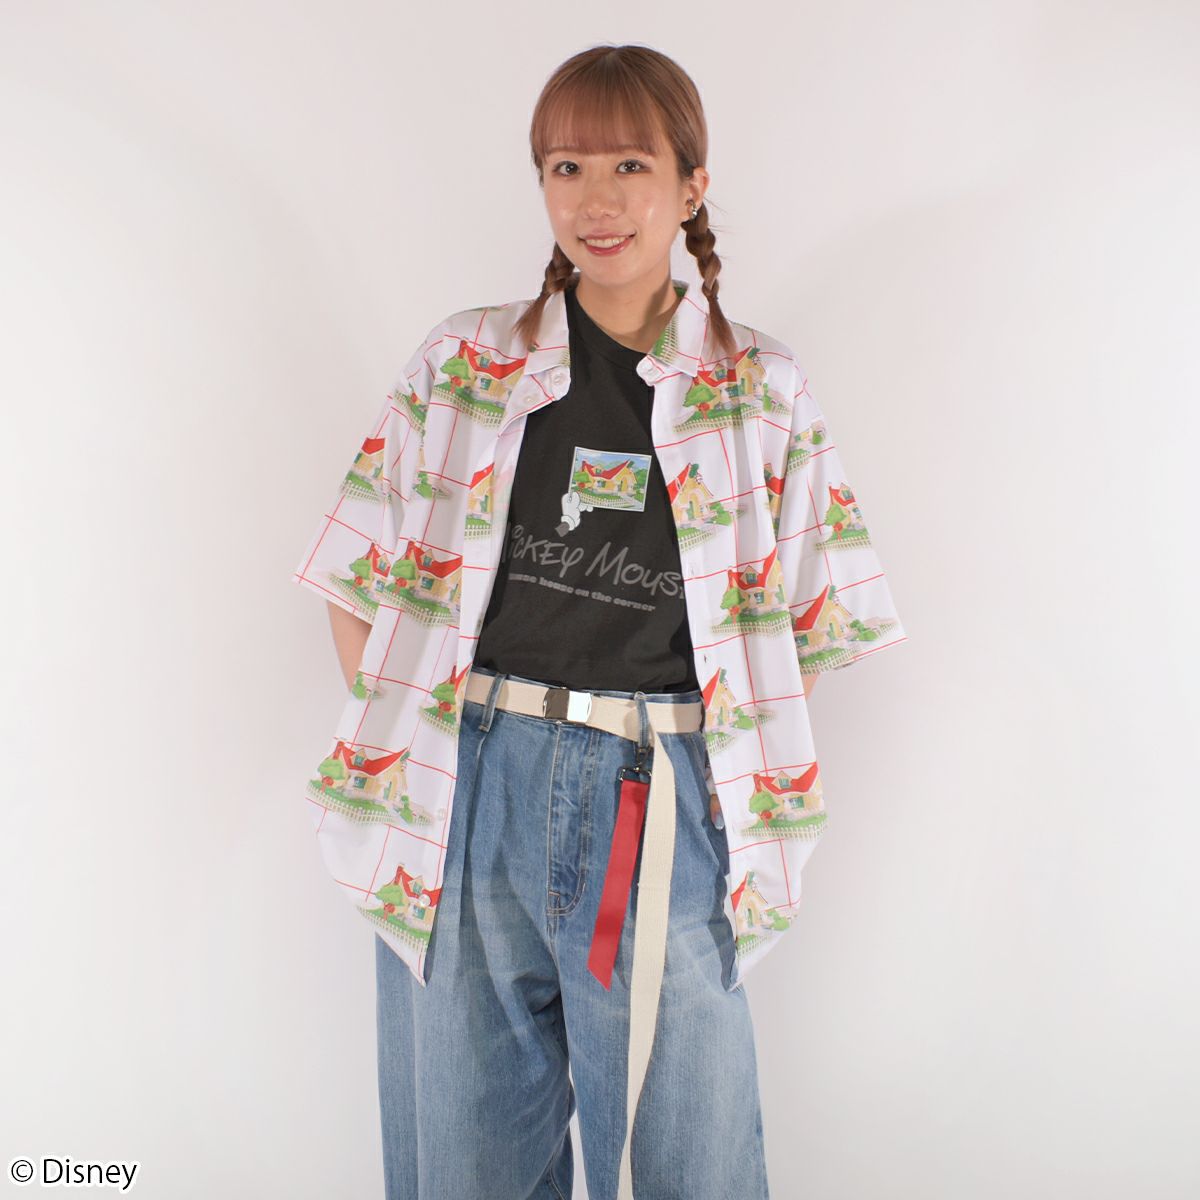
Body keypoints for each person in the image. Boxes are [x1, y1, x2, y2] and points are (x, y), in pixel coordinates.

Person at [290, 43, 906, 1200]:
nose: (597, 199)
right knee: (466, 1156)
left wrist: (713, 775)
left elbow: (806, 626)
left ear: (692, 183)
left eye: (631, 164)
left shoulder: (758, 389)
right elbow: (355, 572)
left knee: (689, 1152)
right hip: (467, 787)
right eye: (567, 167)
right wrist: (416, 750)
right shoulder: (466, 364)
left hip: (655, 797)